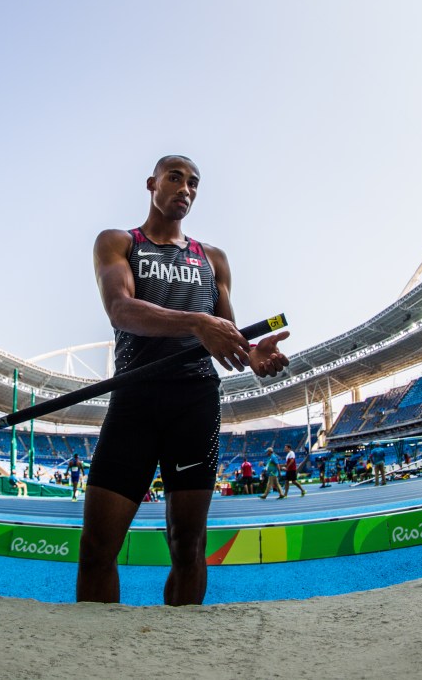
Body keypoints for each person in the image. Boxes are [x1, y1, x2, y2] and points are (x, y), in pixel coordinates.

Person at [76, 155, 290, 605]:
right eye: (176, 178)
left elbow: (228, 335)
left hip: (194, 404)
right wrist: (196, 322)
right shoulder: (119, 242)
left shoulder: (213, 259)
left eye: (194, 183)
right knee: (97, 547)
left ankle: (182, 655)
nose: (186, 189)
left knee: (188, 546)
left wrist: (254, 356)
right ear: (152, 183)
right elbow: (120, 310)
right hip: (134, 399)